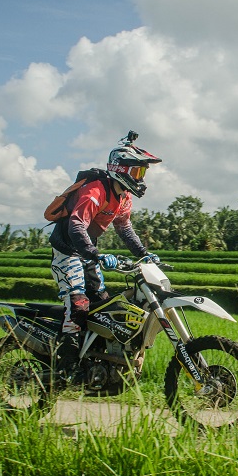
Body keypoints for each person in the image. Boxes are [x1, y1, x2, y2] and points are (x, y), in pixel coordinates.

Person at [48, 131, 162, 380]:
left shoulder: (123, 198)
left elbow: (124, 228)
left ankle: (96, 356)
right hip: (67, 251)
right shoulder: (95, 191)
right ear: (120, 170)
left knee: (102, 301)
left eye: (141, 173)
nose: (140, 178)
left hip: (87, 252)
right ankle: (66, 365)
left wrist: (144, 254)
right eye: (136, 172)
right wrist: (97, 254)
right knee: (78, 303)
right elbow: (76, 226)